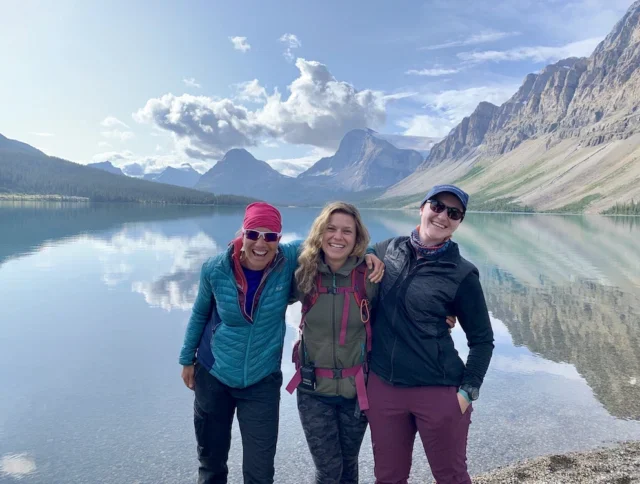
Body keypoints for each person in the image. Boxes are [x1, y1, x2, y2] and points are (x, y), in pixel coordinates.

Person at [179, 202, 384, 484]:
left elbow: (336, 244)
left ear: (279, 238)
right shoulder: (216, 268)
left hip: (262, 379)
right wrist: (185, 358)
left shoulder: (288, 260)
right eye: (253, 234)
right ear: (243, 233)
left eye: (271, 236)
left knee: (261, 473)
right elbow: (200, 312)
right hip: (214, 373)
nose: (261, 243)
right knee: (211, 464)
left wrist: (370, 252)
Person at [366, 185, 495, 484]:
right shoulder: (387, 250)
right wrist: (368, 253)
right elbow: (359, 251)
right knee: (388, 477)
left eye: (454, 213)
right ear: (422, 208)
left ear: (459, 222)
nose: (443, 216)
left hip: (439, 390)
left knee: (450, 476)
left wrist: (467, 393)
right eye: (437, 206)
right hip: (385, 388)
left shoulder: (462, 274)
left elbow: (482, 340)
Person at [285, 202, 378, 484]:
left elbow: (404, 308)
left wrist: (445, 314)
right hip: (313, 390)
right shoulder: (304, 273)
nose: (338, 237)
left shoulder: (370, 277)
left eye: (347, 231)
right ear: (320, 233)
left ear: (357, 237)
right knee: (328, 471)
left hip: (356, 390)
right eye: (331, 229)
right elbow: (264, 291)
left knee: (349, 466)